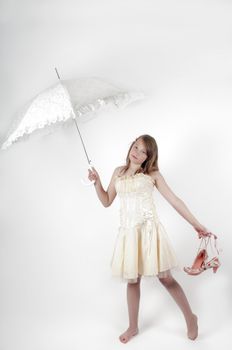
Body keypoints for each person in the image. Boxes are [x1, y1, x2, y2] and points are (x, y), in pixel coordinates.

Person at [88, 134, 209, 343]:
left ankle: (190, 317)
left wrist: (197, 224)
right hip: (129, 234)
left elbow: (175, 201)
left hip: (149, 232)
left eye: (143, 151)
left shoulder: (152, 175)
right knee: (132, 280)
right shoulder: (119, 172)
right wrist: (97, 183)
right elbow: (107, 200)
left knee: (166, 278)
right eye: (135, 147)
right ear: (130, 147)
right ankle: (133, 326)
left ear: (149, 157)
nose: (136, 153)